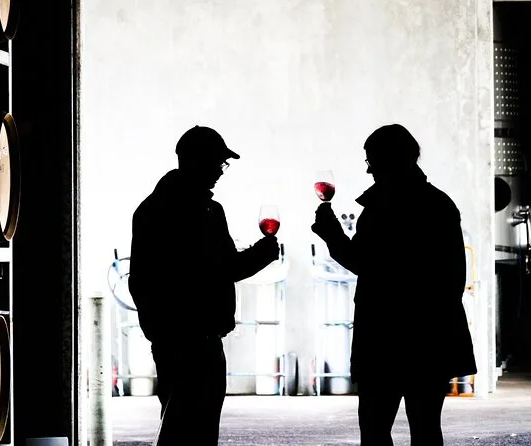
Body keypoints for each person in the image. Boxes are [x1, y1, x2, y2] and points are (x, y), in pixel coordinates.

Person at [311, 123, 477, 446]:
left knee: (374, 430)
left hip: (382, 339)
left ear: (390, 160)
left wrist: (332, 234)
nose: (369, 169)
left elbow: (364, 263)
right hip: (432, 341)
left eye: (372, 160)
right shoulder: (440, 204)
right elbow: (454, 279)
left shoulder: (381, 208)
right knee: (426, 430)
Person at [128, 125, 280, 445]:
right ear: (195, 161)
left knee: (188, 428)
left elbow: (141, 281)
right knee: (189, 430)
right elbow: (220, 268)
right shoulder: (186, 210)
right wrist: (262, 253)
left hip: (189, 339)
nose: (220, 171)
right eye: (217, 162)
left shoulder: (176, 207)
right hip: (188, 341)